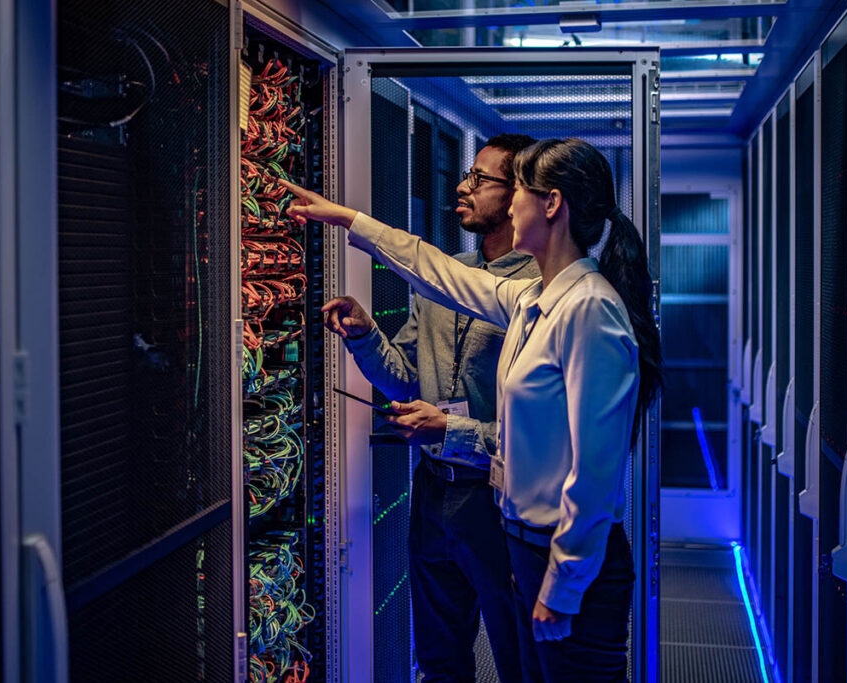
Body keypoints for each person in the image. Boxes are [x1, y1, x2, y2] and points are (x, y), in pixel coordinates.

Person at [281, 137, 663, 682]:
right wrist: (346, 220)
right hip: (527, 545)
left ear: (551, 204)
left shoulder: (590, 310)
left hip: (565, 561)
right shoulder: (535, 301)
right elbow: (434, 270)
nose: (509, 207)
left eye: (519, 192)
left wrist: (562, 586)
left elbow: (597, 473)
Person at [322, 134, 540, 683]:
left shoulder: (541, 291)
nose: (462, 188)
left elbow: (543, 436)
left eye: (480, 179)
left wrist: (452, 427)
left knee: (519, 657)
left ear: (519, 196)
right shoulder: (440, 281)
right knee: (439, 661)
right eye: (466, 175)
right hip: (434, 491)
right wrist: (365, 334)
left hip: (499, 498)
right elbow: (404, 381)